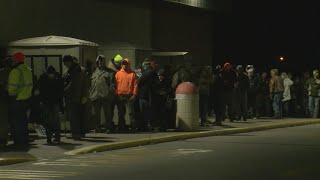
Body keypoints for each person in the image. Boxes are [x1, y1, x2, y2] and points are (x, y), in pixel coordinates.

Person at [8, 52, 33, 147]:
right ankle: (24, 140)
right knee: (23, 121)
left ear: (16, 60)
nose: (12, 61)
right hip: (26, 99)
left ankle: (19, 142)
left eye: (13, 59)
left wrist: (9, 93)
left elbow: (12, 89)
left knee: (17, 122)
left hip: (17, 99)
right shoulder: (28, 70)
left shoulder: (15, 71)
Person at [63, 55, 89, 140]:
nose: (65, 65)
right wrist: (85, 95)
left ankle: (75, 133)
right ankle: (81, 132)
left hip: (73, 97)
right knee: (80, 115)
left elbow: (73, 84)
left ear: (69, 62)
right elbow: (85, 84)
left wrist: (63, 90)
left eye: (66, 63)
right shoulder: (80, 69)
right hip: (80, 97)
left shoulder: (75, 70)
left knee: (74, 116)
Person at [89, 55, 115, 133]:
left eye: (101, 61)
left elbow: (112, 84)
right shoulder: (93, 72)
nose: (100, 62)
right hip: (95, 96)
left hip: (105, 96)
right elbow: (89, 84)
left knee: (107, 113)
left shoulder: (110, 72)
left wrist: (110, 93)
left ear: (104, 62)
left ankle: (108, 128)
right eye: (98, 61)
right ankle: (97, 127)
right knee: (95, 114)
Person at [38, 65, 64, 143]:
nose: (51, 76)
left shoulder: (43, 78)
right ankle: (55, 136)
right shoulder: (58, 78)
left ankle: (51, 136)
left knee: (48, 120)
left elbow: (40, 90)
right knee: (54, 120)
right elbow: (61, 91)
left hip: (48, 102)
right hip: (53, 102)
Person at [115, 58, 138, 131]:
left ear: (129, 65)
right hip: (120, 96)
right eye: (123, 64)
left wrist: (134, 94)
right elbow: (115, 85)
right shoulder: (118, 74)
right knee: (121, 113)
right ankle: (121, 126)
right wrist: (117, 94)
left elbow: (135, 85)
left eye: (126, 64)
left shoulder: (132, 74)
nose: (124, 65)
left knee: (131, 112)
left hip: (129, 96)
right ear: (121, 65)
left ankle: (133, 127)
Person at [138, 60, 158, 131]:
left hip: (144, 94)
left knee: (143, 111)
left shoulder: (146, 73)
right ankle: (150, 125)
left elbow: (139, 82)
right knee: (149, 111)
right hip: (151, 94)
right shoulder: (154, 72)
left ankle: (144, 126)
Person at [0, 57, 11, 146]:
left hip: (3, 99)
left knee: (3, 120)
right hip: (13, 99)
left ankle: (3, 139)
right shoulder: (14, 72)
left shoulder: (2, 72)